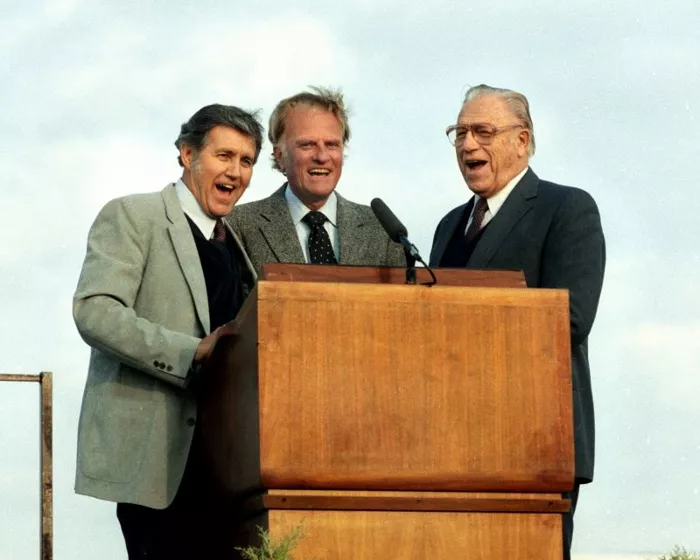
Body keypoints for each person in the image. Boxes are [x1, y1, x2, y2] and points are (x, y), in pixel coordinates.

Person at [73, 104, 264, 559]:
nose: (235, 171)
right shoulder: (132, 216)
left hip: (228, 467)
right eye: (224, 156)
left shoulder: (237, 243)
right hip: (156, 463)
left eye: (247, 161)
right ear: (186, 154)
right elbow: (94, 311)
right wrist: (191, 350)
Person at [430, 84, 605, 559]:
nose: (468, 145)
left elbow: (570, 318)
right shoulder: (448, 226)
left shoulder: (566, 208)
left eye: (483, 131)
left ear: (522, 140)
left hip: (533, 443)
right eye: (459, 132)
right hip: (451, 445)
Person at [228, 86, 405, 273]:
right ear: (280, 156)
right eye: (307, 144)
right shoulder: (238, 226)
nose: (322, 156)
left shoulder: (384, 231)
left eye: (331, 144)